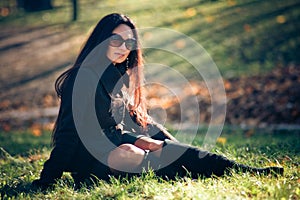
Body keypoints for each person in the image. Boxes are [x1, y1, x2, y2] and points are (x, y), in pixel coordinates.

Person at [31, 13, 283, 190]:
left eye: (129, 42)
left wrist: (165, 144)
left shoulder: (118, 76)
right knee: (131, 153)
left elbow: (124, 124)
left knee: (156, 146)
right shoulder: (83, 78)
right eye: (116, 40)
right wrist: (47, 180)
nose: (122, 47)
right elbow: (68, 134)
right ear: (101, 41)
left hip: (113, 146)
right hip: (88, 160)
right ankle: (188, 171)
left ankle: (242, 169)